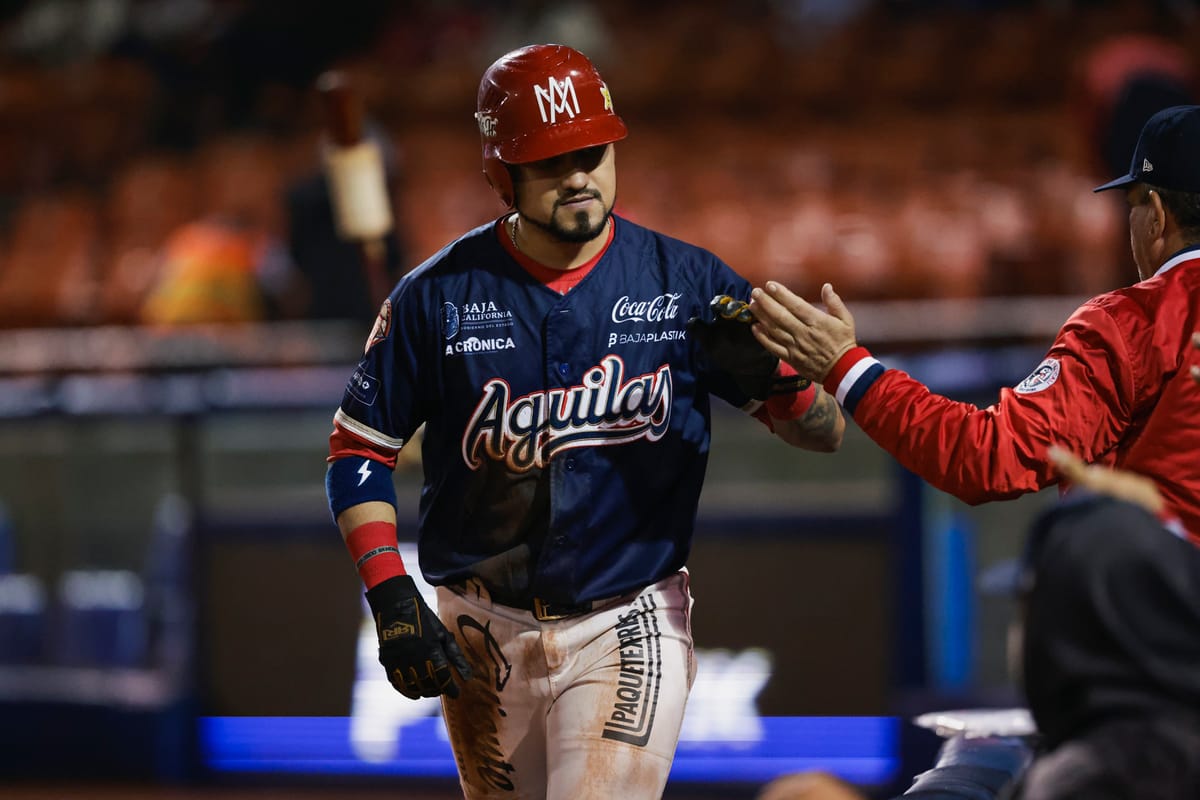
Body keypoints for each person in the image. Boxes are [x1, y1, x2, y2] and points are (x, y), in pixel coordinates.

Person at [323, 43, 845, 800]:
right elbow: (355, 452)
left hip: (627, 618)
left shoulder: (688, 284)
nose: (577, 175)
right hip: (479, 627)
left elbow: (822, 432)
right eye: (548, 160)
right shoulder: (433, 297)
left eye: (592, 152)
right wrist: (390, 594)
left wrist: (784, 382)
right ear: (501, 174)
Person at [749, 105, 1200, 799]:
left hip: (1153, 682)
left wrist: (848, 368)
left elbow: (987, 456)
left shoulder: (1135, 323)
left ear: (1156, 214)